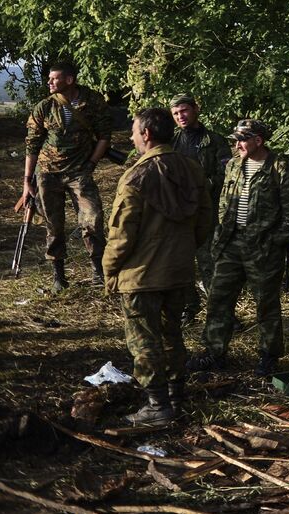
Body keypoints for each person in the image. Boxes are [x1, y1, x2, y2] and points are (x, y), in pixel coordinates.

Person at [103, 107, 211, 425]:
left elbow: (121, 235)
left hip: (141, 277)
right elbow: (205, 221)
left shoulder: (135, 176)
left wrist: (110, 270)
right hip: (179, 272)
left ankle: (157, 406)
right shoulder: (192, 169)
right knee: (172, 334)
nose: (133, 137)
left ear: (147, 134)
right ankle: (176, 398)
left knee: (144, 340)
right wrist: (183, 251)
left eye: (135, 132)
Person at [189, 118, 289, 377]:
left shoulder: (280, 167)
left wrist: (275, 241)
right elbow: (222, 202)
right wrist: (221, 230)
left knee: (265, 304)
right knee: (218, 298)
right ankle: (214, 353)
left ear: (258, 141)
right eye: (236, 140)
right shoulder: (233, 166)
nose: (237, 145)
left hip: (262, 247)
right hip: (231, 242)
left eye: (242, 140)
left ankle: (268, 356)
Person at [18, 61, 111, 292]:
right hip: (48, 175)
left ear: (69, 80)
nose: (49, 82)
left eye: (54, 78)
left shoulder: (93, 101)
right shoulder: (44, 107)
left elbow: (104, 137)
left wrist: (91, 164)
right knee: (53, 225)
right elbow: (32, 145)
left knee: (93, 220)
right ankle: (59, 276)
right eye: (49, 78)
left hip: (80, 173)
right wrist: (27, 181)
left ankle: (98, 271)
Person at [169, 94, 226, 324]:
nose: (180, 116)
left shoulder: (214, 140)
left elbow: (225, 174)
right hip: (178, 212)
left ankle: (220, 312)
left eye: (184, 111)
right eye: (175, 113)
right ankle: (189, 306)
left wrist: (203, 188)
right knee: (181, 263)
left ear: (195, 110)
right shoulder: (171, 142)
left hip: (206, 211)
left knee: (209, 262)